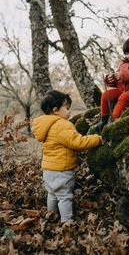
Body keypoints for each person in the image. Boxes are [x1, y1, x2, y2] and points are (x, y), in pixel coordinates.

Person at [33, 90, 103, 224]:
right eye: (66, 108)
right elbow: (78, 142)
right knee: (65, 196)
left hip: (48, 169)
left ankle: (51, 216)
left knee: (53, 194)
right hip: (62, 170)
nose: (69, 111)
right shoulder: (62, 125)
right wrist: (97, 139)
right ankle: (67, 222)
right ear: (56, 110)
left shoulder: (46, 125)